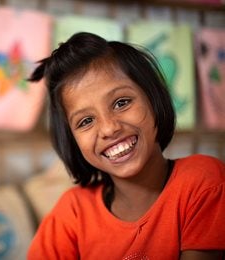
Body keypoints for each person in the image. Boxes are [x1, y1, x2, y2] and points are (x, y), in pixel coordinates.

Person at [27, 32, 225, 259]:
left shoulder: (203, 182)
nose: (109, 128)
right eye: (86, 121)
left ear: (154, 99)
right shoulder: (71, 213)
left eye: (121, 103)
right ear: (72, 140)